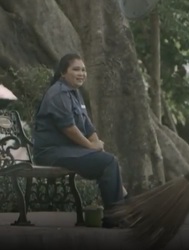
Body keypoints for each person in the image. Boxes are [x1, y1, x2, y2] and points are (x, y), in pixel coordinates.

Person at [32, 53, 126, 228]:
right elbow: (68, 128)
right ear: (63, 72)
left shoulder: (75, 93)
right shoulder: (58, 93)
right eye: (76, 69)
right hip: (52, 153)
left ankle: (121, 210)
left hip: (70, 151)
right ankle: (116, 217)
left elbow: (88, 127)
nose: (81, 73)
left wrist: (98, 148)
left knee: (107, 161)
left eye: (83, 70)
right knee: (108, 163)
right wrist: (91, 147)